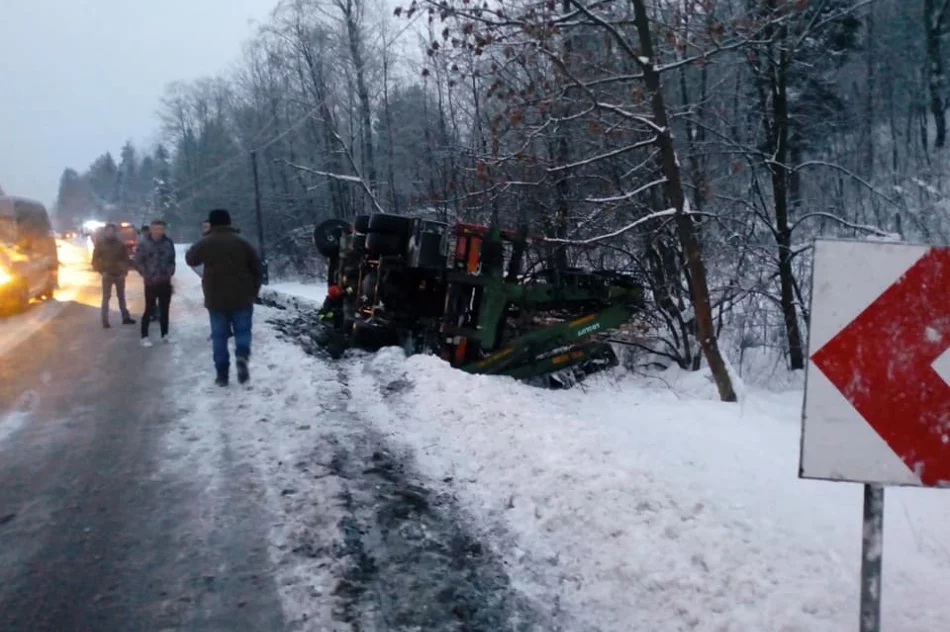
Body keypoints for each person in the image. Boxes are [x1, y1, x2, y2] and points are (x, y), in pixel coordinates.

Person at [185, 209, 262, 386]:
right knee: (243, 331)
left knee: (219, 336)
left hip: (215, 298)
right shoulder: (242, 242)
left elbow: (191, 260)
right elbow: (257, 268)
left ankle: (222, 374)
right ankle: (242, 355)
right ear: (229, 222)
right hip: (242, 297)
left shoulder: (206, 242)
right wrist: (253, 291)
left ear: (211, 223)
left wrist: (200, 242)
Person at [134, 219, 176, 347]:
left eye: (161, 229)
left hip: (165, 281)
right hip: (151, 282)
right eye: (156, 229)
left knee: (165, 309)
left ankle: (165, 334)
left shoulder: (168, 243)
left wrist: (170, 272)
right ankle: (144, 336)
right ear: (151, 229)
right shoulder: (144, 243)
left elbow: (172, 260)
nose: (159, 231)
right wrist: (146, 274)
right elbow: (138, 262)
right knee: (149, 309)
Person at [91, 223, 136, 328]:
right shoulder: (100, 244)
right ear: (105, 232)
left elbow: (125, 258)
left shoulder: (120, 244)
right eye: (109, 231)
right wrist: (101, 271)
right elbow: (95, 260)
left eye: (112, 231)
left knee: (121, 297)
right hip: (107, 274)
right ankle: (105, 320)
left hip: (119, 274)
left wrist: (124, 271)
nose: (110, 233)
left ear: (115, 232)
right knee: (106, 298)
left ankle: (125, 317)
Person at [139, 224, 159, 321]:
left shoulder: (149, 242)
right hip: (149, 275)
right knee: (151, 296)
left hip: (155, 274)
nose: (144, 234)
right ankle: (153, 313)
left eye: (145, 232)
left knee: (154, 296)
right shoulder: (143, 242)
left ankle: (154, 313)